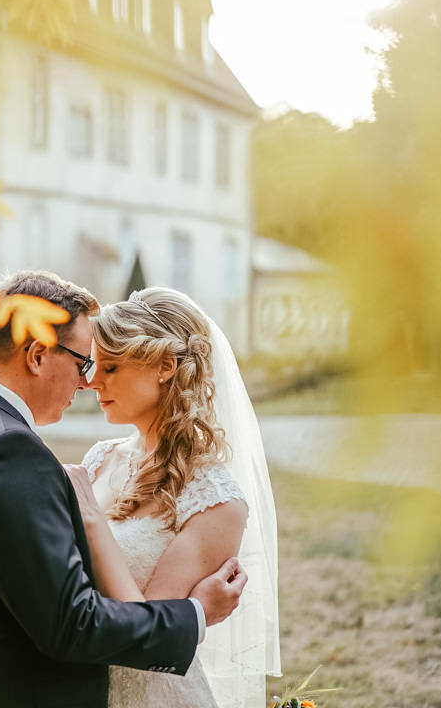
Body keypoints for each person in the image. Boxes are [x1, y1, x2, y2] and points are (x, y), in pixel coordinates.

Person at [0, 271, 248, 708]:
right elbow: (71, 624)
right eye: (84, 363)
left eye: (105, 366)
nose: (88, 382)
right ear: (38, 356)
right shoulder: (11, 451)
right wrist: (196, 615)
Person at [68, 287, 281, 708]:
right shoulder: (99, 460)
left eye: (111, 367)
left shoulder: (216, 500)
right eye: (95, 365)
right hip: (76, 684)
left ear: (165, 366)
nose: (92, 381)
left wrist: (93, 524)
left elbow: (149, 634)